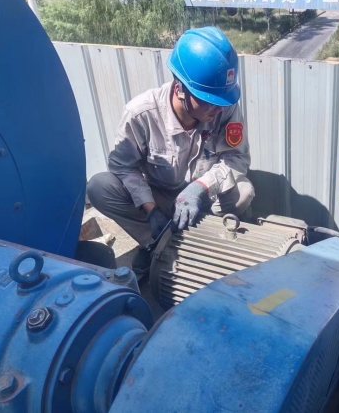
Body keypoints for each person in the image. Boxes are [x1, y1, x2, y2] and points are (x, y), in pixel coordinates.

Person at [87, 27, 254, 274]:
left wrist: (200, 188)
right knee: (99, 186)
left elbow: (237, 158)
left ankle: (203, 240)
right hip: (159, 196)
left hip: (204, 198)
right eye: (209, 100)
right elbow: (123, 167)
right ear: (180, 89)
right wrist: (151, 210)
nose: (218, 108)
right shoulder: (141, 114)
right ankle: (155, 242)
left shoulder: (224, 108)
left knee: (243, 191)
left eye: (222, 100)